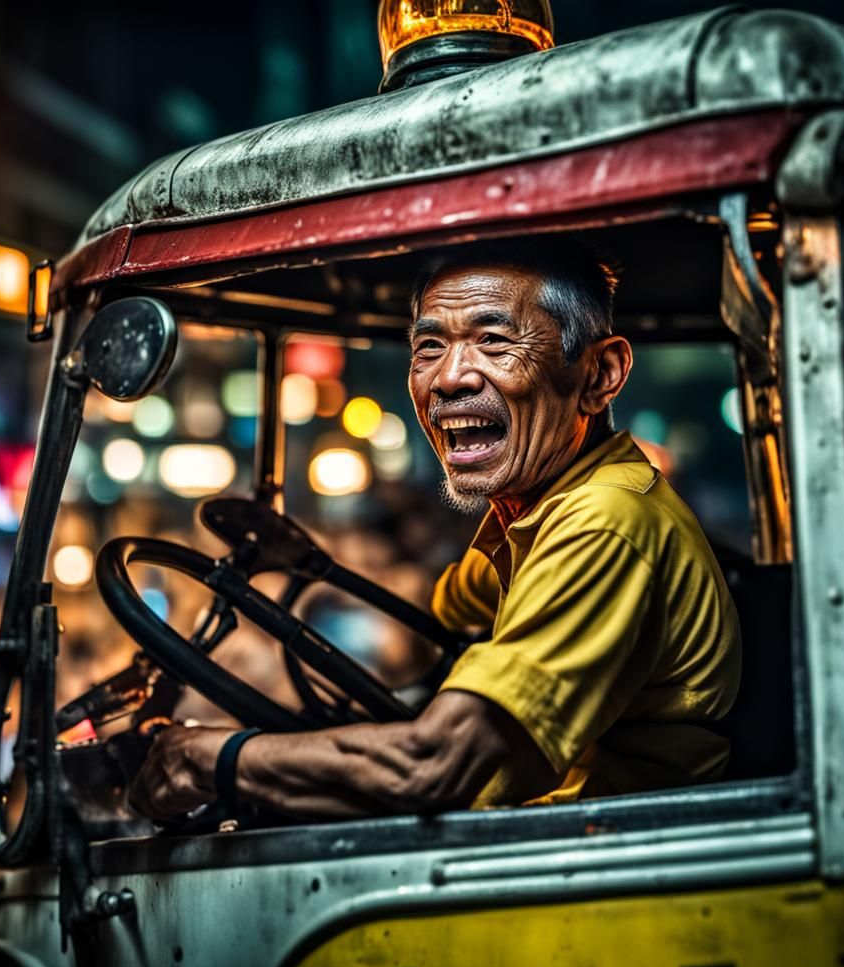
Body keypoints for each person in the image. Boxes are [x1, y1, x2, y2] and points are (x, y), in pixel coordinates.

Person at [130, 238, 741, 821]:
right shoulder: (535, 512)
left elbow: (432, 767)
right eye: (429, 349)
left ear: (599, 375)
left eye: (495, 341)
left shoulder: (604, 525)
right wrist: (315, 566)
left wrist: (210, 759)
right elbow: (434, 606)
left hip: (601, 882)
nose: (449, 378)